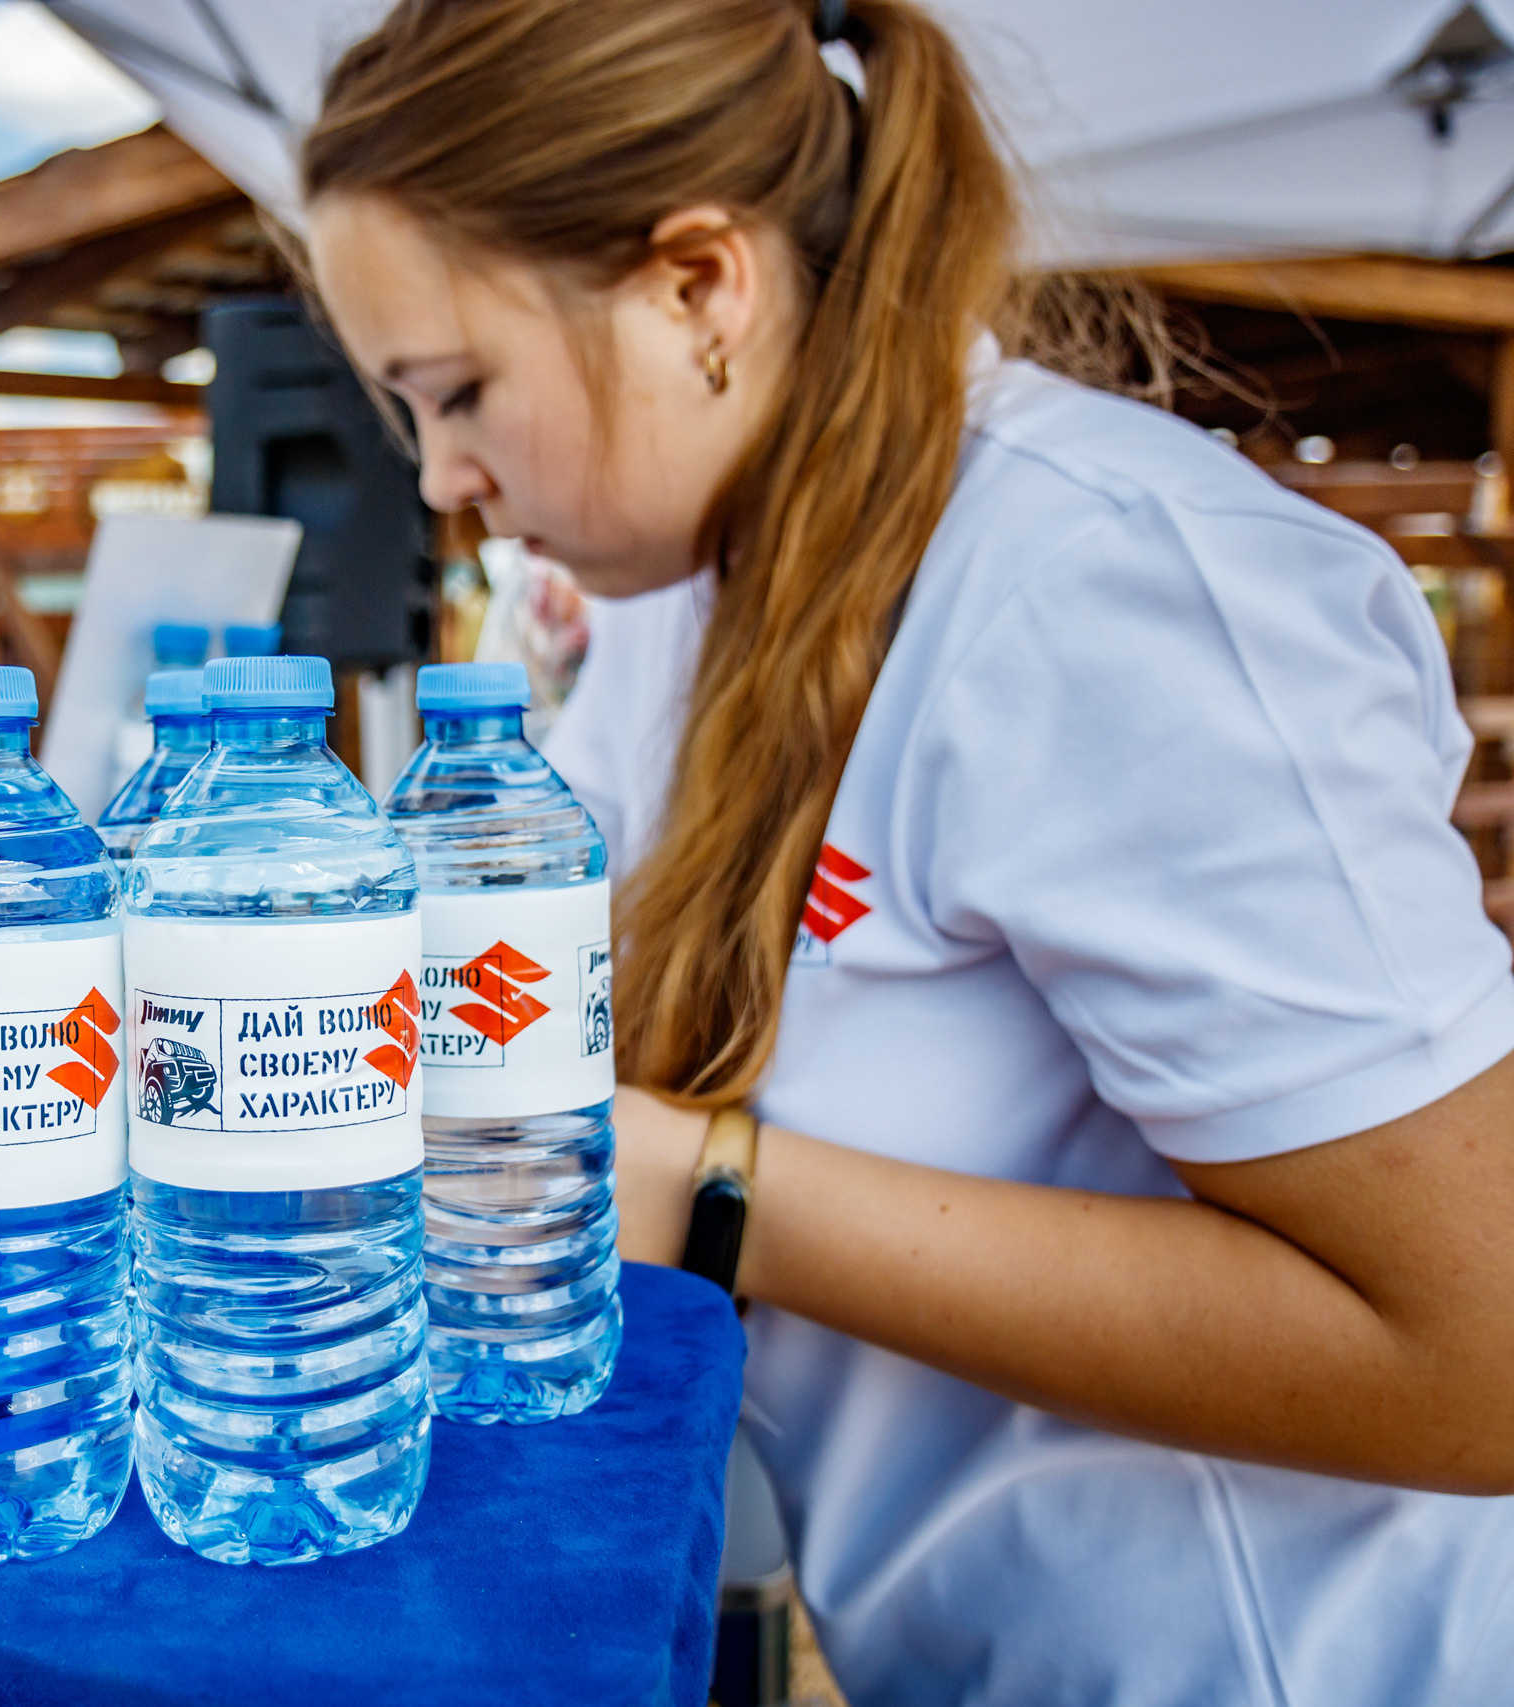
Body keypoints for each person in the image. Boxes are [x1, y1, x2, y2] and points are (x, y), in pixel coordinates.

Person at [301, 1, 1514, 1702]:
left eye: (461, 392)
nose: (445, 480)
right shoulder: (682, 600)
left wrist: (714, 1195)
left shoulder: (1117, 583)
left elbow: (1484, 1359)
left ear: (699, 289)